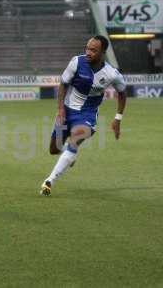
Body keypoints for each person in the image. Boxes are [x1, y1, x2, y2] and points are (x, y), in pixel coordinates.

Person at [40, 35, 126, 196]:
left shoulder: (111, 74)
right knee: (54, 149)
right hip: (66, 111)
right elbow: (63, 84)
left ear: (103, 52)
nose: (88, 52)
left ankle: (49, 181)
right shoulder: (76, 62)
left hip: (87, 115)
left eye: (93, 50)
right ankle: (69, 155)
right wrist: (60, 109)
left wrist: (117, 119)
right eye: (87, 48)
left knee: (75, 140)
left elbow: (122, 93)